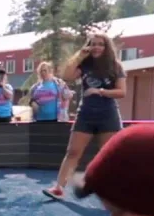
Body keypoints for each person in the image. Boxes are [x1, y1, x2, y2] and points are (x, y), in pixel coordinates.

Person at [43, 31, 126, 199]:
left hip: (108, 114)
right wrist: (79, 56)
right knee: (73, 152)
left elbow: (122, 92)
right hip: (86, 114)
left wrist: (99, 91)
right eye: (93, 43)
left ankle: (114, 190)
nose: (96, 47)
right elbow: (66, 76)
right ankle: (59, 188)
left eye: (100, 44)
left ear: (106, 47)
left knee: (108, 154)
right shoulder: (85, 64)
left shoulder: (116, 66)